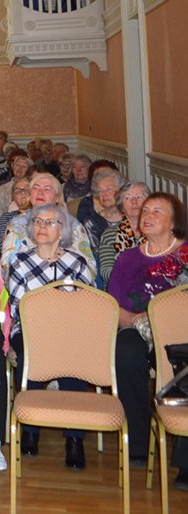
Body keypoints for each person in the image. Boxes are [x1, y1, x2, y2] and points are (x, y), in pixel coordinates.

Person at [4, 204, 94, 470]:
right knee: (35, 352)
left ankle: (74, 438)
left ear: (63, 230)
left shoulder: (77, 262)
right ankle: (30, 429)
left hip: (70, 332)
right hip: (30, 330)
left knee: (73, 361)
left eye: (51, 222)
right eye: (38, 222)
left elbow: (86, 305)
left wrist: (62, 325)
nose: (43, 227)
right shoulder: (19, 261)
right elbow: (21, 305)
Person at [107, 193, 188, 478]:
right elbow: (113, 306)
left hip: (181, 333)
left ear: (174, 221)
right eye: (145, 211)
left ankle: (185, 458)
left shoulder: (186, 255)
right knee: (125, 350)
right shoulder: (128, 258)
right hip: (139, 329)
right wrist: (137, 321)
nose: (148, 215)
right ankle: (138, 440)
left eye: (157, 211)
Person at [97, 181, 150, 284]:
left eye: (139, 197)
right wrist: (137, 275)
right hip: (120, 291)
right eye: (128, 198)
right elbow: (105, 271)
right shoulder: (110, 234)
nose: (134, 202)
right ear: (121, 207)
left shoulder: (158, 232)